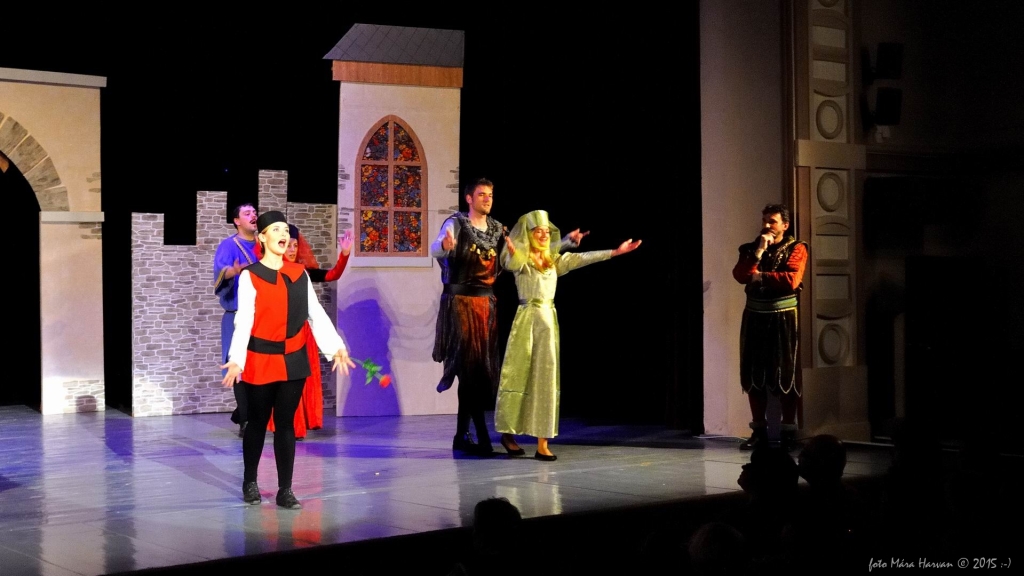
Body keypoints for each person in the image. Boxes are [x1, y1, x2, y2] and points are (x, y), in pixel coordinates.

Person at [221, 211, 355, 509]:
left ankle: (285, 490)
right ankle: (250, 482)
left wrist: (335, 347)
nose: (283, 235)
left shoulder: (298, 273)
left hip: (293, 359)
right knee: (257, 423)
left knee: (285, 425)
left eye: (286, 230)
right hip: (261, 359)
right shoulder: (251, 275)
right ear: (262, 237)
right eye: (276, 230)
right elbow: (244, 320)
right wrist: (237, 358)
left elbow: (315, 314)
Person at [495, 210, 641, 461]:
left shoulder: (553, 262)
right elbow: (511, 262)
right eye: (538, 232)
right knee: (518, 375)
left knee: (545, 379)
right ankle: (508, 434)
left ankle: (542, 442)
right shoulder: (522, 260)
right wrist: (515, 250)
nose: (543, 236)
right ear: (528, 235)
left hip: (548, 324)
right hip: (526, 321)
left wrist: (615, 252)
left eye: (546, 232)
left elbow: (582, 258)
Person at [264, 226, 353, 440]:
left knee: (301, 379)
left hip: (302, 334)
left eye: (295, 245)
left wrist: (344, 255)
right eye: (287, 245)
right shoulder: (262, 273)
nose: (292, 249)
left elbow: (330, 277)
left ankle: (299, 423)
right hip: (275, 335)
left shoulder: (302, 273)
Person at [732, 203, 808, 452]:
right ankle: (759, 432)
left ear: (785, 225)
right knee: (754, 374)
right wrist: (759, 252)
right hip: (755, 316)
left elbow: (791, 280)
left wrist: (761, 276)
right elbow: (741, 275)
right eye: (764, 220)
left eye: (772, 221)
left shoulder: (797, 248)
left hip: (783, 317)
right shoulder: (750, 248)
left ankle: (788, 432)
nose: (766, 225)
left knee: (785, 374)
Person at [213, 203, 259, 437]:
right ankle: (246, 420)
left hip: (262, 316)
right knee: (239, 365)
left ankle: (244, 412)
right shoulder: (229, 245)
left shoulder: (263, 245)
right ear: (237, 221)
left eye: (254, 212)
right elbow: (222, 271)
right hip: (237, 316)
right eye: (247, 213)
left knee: (260, 366)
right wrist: (234, 271)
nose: (253, 216)